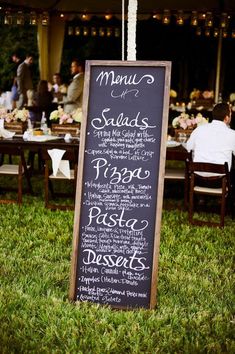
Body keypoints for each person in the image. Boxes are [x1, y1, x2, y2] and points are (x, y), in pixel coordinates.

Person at [186, 103, 235, 171]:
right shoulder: (232, 134)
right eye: (230, 115)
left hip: (199, 174)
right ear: (226, 118)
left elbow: (189, 147)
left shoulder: (199, 129)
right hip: (221, 177)